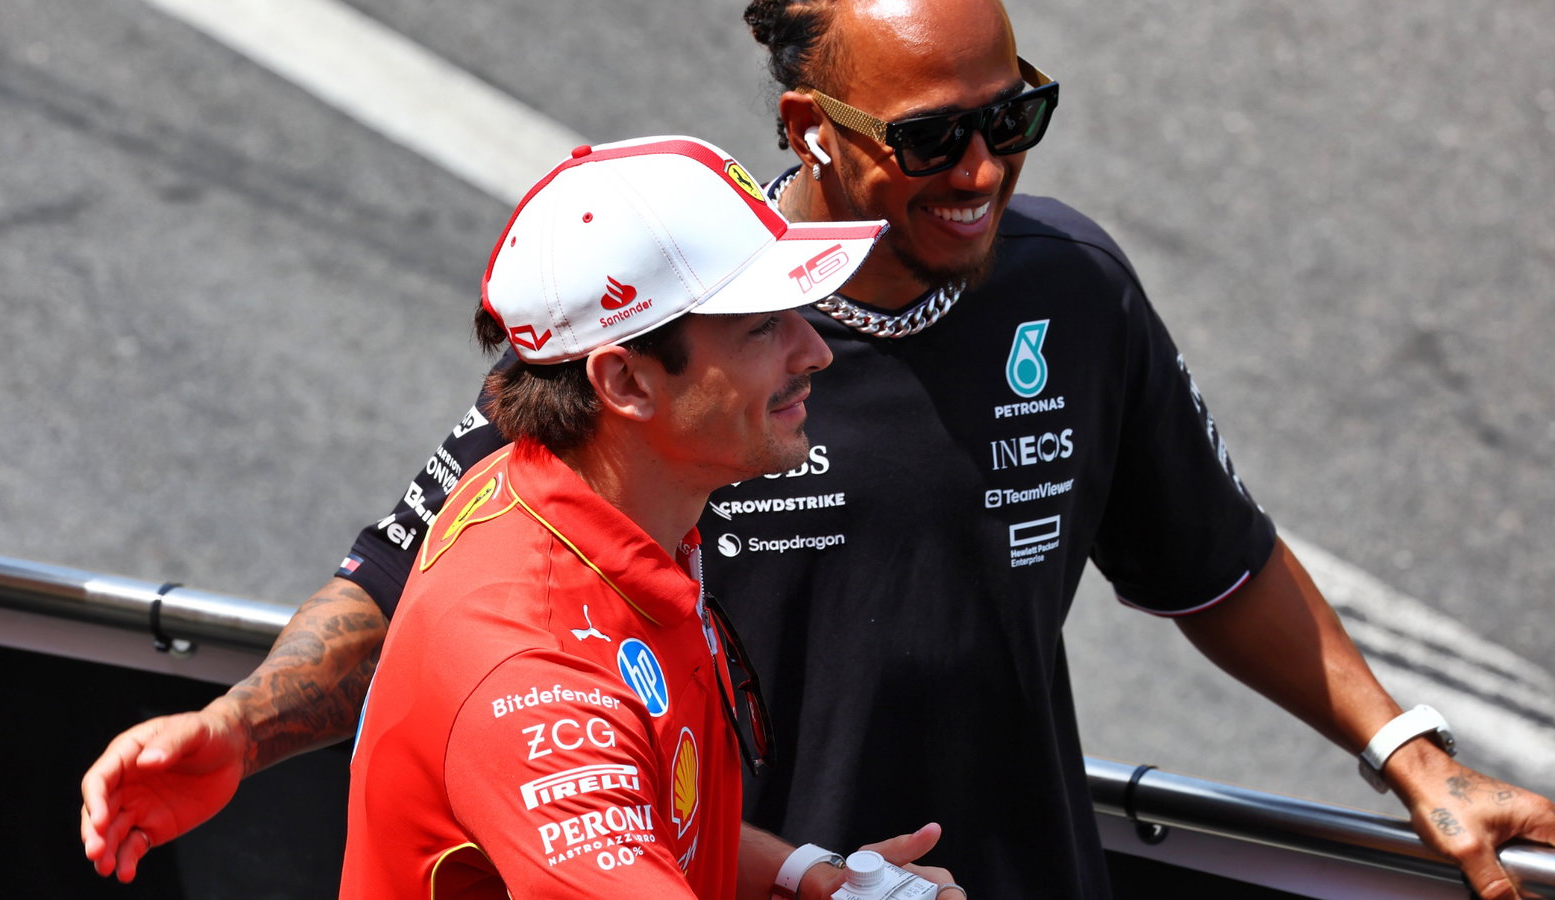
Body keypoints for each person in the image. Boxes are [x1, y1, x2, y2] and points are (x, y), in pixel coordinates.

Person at [82, 0, 1555, 896]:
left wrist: (1405, 750)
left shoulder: (1068, 290)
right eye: (933, 139)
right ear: (817, 128)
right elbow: (419, 593)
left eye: (1015, 114)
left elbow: (1209, 554)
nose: (984, 168)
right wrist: (238, 732)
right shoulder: (654, 340)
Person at [339, 133, 960, 898]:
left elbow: (644, 812)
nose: (814, 351)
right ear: (626, 381)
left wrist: (805, 877)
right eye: (762, 326)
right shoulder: (540, 683)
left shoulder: (556, 497)